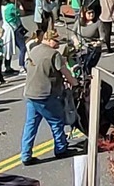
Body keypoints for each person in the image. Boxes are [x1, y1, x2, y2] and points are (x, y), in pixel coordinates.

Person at [20, 30, 79, 165]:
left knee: (31, 125)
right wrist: (75, 83)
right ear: (50, 40)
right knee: (56, 121)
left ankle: (26, 155)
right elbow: (65, 72)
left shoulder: (34, 50)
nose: (58, 45)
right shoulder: (54, 54)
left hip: (30, 93)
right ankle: (61, 149)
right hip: (45, 94)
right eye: (57, 41)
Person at [2, 0, 28, 73]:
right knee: (23, 47)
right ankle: (21, 66)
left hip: (6, 28)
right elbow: (22, 12)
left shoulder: (3, 6)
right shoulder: (12, 7)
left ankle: (7, 66)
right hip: (14, 28)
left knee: (7, 48)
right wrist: (19, 4)